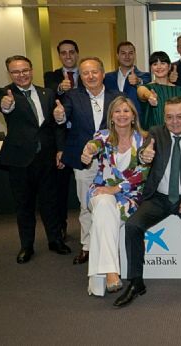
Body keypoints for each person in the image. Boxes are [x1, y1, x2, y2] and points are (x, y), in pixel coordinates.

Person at [114, 96, 181, 308]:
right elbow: (143, 155)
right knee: (133, 225)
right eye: (170, 117)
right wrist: (144, 156)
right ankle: (136, 282)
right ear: (164, 118)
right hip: (159, 197)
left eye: (180, 117)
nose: (174, 122)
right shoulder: (156, 133)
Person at [0, 55, 70, 263]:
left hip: (46, 158)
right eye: (16, 72)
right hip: (20, 160)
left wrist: (60, 149)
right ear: (10, 73)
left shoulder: (47, 93)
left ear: (32, 69)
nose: (22, 75)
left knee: (50, 203)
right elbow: (5, 105)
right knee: (24, 206)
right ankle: (26, 246)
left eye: (25, 70)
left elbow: (56, 125)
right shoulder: (4, 92)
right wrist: (5, 103)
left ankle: (55, 241)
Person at [55, 57, 123, 264]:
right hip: (83, 159)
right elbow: (63, 116)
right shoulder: (72, 96)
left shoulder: (116, 96)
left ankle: (114, 246)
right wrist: (59, 116)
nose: (90, 76)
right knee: (86, 204)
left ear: (103, 73)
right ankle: (87, 246)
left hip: (112, 160)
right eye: (85, 73)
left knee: (114, 203)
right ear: (80, 77)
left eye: (95, 71)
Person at [81, 96, 150, 296]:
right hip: (101, 190)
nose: (122, 115)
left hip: (129, 197)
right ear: (111, 116)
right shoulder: (103, 136)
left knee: (103, 216)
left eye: (126, 111)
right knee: (103, 202)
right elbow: (93, 145)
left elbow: (143, 173)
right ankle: (112, 271)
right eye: (117, 111)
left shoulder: (144, 139)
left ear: (133, 115)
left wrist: (116, 189)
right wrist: (88, 151)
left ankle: (100, 282)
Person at [44, 39, 80, 241]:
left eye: (72, 52)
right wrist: (60, 88)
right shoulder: (51, 77)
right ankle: (61, 228)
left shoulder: (85, 75)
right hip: (62, 139)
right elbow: (50, 92)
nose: (68, 56)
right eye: (64, 53)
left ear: (77, 53)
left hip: (84, 137)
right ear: (59, 55)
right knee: (60, 188)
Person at [137, 51, 181, 130]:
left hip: (176, 133)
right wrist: (150, 96)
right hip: (153, 136)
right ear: (151, 68)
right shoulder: (147, 88)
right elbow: (141, 91)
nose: (159, 67)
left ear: (169, 66)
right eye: (155, 64)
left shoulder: (180, 90)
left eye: (162, 63)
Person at [104, 41, 151, 115]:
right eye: (123, 53)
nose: (127, 56)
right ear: (117, 56)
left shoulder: (146, 76)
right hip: (113, 121)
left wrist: (138, 81)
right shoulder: (106, 78)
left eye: (130, 53)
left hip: (137, 122)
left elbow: (145, 86)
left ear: (135, 55)